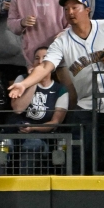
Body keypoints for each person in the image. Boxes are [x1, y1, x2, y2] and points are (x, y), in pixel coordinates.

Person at [8, 0, 104, 174]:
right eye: (66, 8)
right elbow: (46, 66)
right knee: (82, 151)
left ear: (87, 10)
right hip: (87, 102)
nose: (70, 12)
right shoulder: (61, 41)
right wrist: (24, 84)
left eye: (75, 7)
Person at [9, 45, 69, 173]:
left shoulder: (61, 90)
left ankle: (25, 185)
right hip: (15, 132)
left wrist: (33, 128)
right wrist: (34, 81)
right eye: (37, 58)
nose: (40, 62)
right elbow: (18, 109)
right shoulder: (22, 80)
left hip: (41, 135)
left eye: (45, 58)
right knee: (1, 144)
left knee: (32, 144)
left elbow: (55, 123)